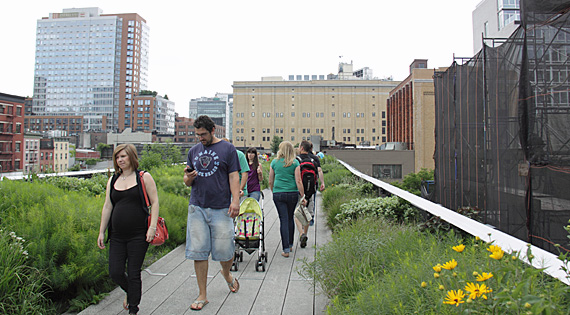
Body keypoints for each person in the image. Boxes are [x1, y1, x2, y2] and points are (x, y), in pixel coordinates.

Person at [184, 115, 241, 311]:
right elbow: (187, 180)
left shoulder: (227, 149)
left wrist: (235, 201)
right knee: (199, 251)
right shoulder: (193, 151)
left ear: (213, 130)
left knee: (226, 250)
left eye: (203, 134)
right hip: (197, 207)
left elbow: (234, 175)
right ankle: (202, 294)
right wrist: (188, 178)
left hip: (221, 207)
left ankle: (226, 274)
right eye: (197, 135)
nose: (200, 138)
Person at [97, 143, 160, 315]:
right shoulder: (113, 180)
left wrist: (152, 227)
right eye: (117, 157)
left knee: (133, 273)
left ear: (131, 157)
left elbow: (154, 202)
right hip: (117, 235)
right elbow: (108, 206)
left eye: (123, 156)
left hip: (139, 235)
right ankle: (130, 292)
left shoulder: (143, 177)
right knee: (115, 272)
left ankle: (133, 309)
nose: (120, 160)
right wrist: (101, 231)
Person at [269, 141, 304, 258]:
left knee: (283, 219)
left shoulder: (274, 162)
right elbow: (298, 181)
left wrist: (273, 190)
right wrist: (303, 196)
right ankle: (289, 244)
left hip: (278, 193)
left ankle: (285, 249)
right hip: (292, 193)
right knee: (290, 218)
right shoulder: (295, 163)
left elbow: (270, 180)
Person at [294, 140, 325, 247]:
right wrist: (322, 183)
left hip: (298, 189)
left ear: (302, 148)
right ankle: (305, 234)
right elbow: (319, 171)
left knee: (297, 213)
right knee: (307, 212)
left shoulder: (296, 160)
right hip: (311, 189)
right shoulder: (314, 159)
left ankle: (301, 233)